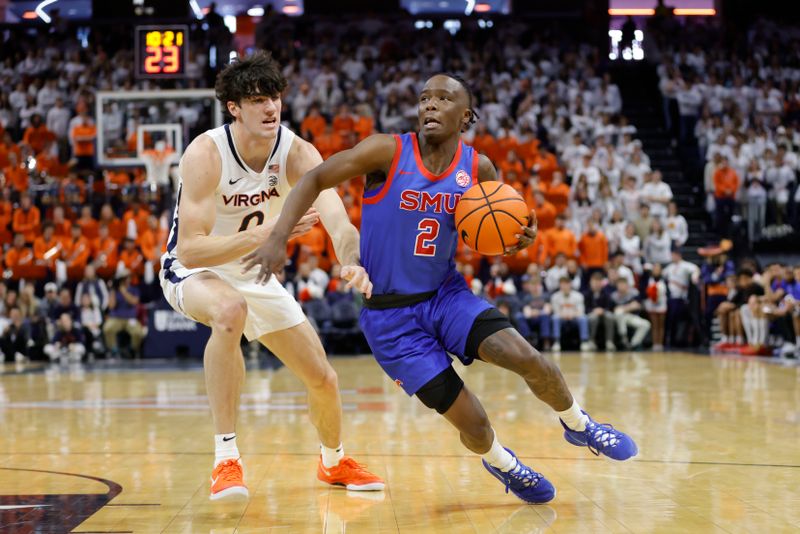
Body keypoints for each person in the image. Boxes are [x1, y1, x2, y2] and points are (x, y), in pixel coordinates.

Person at [246, 73, 637, 504]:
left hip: (445, 297)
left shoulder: (479, 168)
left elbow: (492, 232)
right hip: (391, 320)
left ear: (465, 116)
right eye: (424, 98)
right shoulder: (387, 151)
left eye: (444, 98)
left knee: (528, 358)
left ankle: (580, 424)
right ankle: (504, 464)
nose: (430, 105)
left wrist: (516, 238)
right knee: (474, 424)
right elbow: (315, 179)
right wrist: (277, 237)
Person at [158, 51, 383, 501]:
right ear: (234, 107)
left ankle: (334, 462)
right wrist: (270, 232)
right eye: (258, 100)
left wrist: (352, 259)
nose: (271, 108)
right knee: (229, 311)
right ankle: (226, 460)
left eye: (275, 98)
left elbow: (338, 221)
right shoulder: (206, 153)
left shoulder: (298, 153)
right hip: (194, 270)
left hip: (252, 270)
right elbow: (191, 247)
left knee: (323, 378)